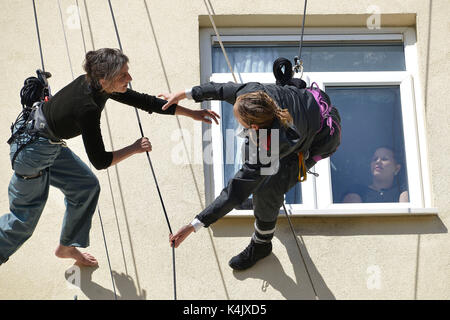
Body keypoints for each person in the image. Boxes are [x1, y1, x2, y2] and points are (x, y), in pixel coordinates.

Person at [0, 48, 219, 267]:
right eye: (123, 75)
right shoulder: (87, 107)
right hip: (31, 153)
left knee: (86, 186)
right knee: (23, 221)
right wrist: (134, 148)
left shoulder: (98, 85)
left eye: (127, 72)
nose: (130, 78)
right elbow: (100, 160)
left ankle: (67, 246)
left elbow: (146, 102)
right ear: (104, 79)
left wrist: (193, 114)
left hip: (47, 143)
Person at [162, 75, 341, 271]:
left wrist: (194, 225)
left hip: (321, 138)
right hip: (308, 107)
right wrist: (182, 94)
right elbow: (221, 90)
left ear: (255, 127)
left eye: (240, 122)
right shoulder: (252, 93)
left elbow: (235, 190)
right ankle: (256, 196)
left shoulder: (270, 147)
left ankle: (262, 244)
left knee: (268, 186)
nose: (237, 123)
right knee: (250, 153)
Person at [342, 146, 409, 203]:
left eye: (384, 159)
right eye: (375, 159)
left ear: (397, 168)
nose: (378, 161)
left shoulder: (402, 191)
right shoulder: (358, 191)